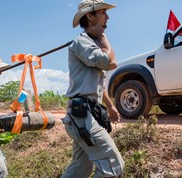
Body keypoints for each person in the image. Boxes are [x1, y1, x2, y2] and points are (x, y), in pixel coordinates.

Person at [61, 0, 124, 177]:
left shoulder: (90, 44)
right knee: (113, 167)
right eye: (103, 12)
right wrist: (103, 36)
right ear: (90, 16)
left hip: (85, 114)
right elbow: (110, 62)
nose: (108, 16)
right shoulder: (82, 43)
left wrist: (110, 106)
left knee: (81, 169)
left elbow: (97, 83)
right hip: (82, 116)